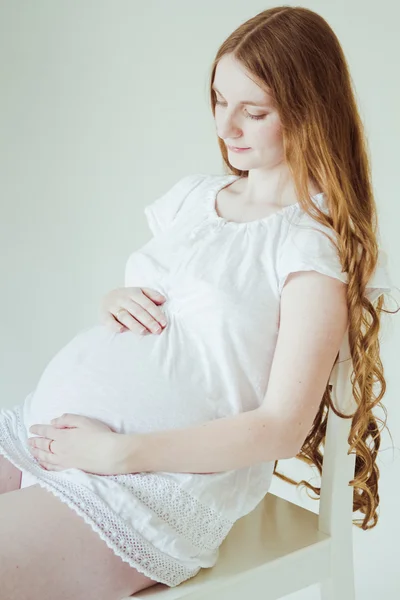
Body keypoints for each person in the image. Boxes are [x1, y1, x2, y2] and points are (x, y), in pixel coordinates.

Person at [0, 6, 397, 599]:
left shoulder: (311, 247)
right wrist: (117, 298)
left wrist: (118, 453)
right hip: (42, 428)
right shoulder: (192, 200)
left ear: (310, 112)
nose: (226, 126)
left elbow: (281, 428)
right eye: (218, 100)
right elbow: (180, 310)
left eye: (252, 112)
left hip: (140, 489)